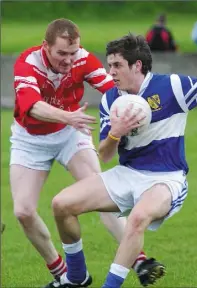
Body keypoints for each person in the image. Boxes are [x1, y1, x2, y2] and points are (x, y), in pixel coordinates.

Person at [47, 33, 197, 288]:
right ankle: (77, 277)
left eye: (116, 65)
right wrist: (116, 131)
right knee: (61, 204)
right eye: (109, 65)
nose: (110, 72)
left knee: (138, 218)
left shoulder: (173, 87)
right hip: (127, 173)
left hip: (166, 178)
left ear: (137, 65)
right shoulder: (111, 99)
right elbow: (104, 154)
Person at [10, 20, 153, 287]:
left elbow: (114, 89)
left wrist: (140, 106)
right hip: (30, 139)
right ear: (46, 47)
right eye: (61, 54)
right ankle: (65, 276)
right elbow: (31, 105)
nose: (68, 60)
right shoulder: (27, 63)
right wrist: (68, 117)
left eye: (72, 53)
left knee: (101, 193)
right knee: (23, 211)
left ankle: (140, 260)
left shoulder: (83, 60)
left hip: (70, 134)